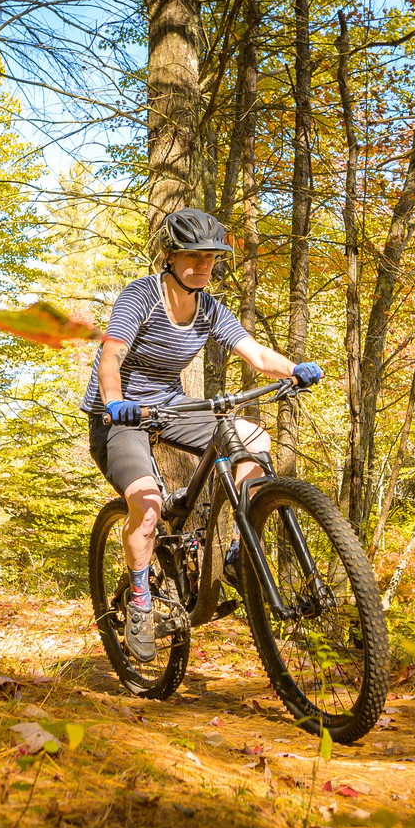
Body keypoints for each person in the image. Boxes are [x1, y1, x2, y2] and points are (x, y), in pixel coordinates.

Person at [82, 208, 321, 663]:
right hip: (118, 415)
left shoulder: (209, 308)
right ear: (169, 256)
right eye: (193, 257)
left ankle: (234, 551)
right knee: (148, 508)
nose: (203, 267)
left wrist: (293, 369)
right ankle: (139, 603)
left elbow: (253, 352)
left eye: (211, 258)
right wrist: (114, 402)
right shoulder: (142, 297)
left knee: (253, 439)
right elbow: (110, 357)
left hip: (171, 407)